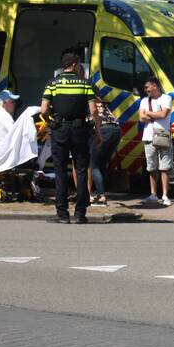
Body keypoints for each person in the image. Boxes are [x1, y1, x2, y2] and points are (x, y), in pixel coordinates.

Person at [40, 52, 101, 224]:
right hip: (80, 130)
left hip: (59, 129)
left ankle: (62, 214)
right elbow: (94, 111)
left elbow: (43, 110)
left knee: (60, 171)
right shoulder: (85, 83)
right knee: (81, 170)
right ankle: (80, 214)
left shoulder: (52, 83)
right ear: (75, 65)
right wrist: (98, 132)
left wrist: (54, 117)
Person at [138, 76, 173, 206]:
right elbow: (141, 118)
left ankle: (165, 195)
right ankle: (153, 194)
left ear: (155, 86)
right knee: (151, 167)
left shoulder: (166, 98)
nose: (145, 90)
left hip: (163, 135)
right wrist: (155, 113)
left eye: (147, 87)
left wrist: (149, 114)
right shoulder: (144, 101)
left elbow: (163, 114)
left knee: (165, 167)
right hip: (148, 136)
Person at [88, 96, 121, 206]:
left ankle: (101, 196)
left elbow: (91, 119)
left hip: (103, 130)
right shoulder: (101, 102)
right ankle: (101, 193)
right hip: (116, 130)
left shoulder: (88, 103)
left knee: (94, 165)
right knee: (102, 164)